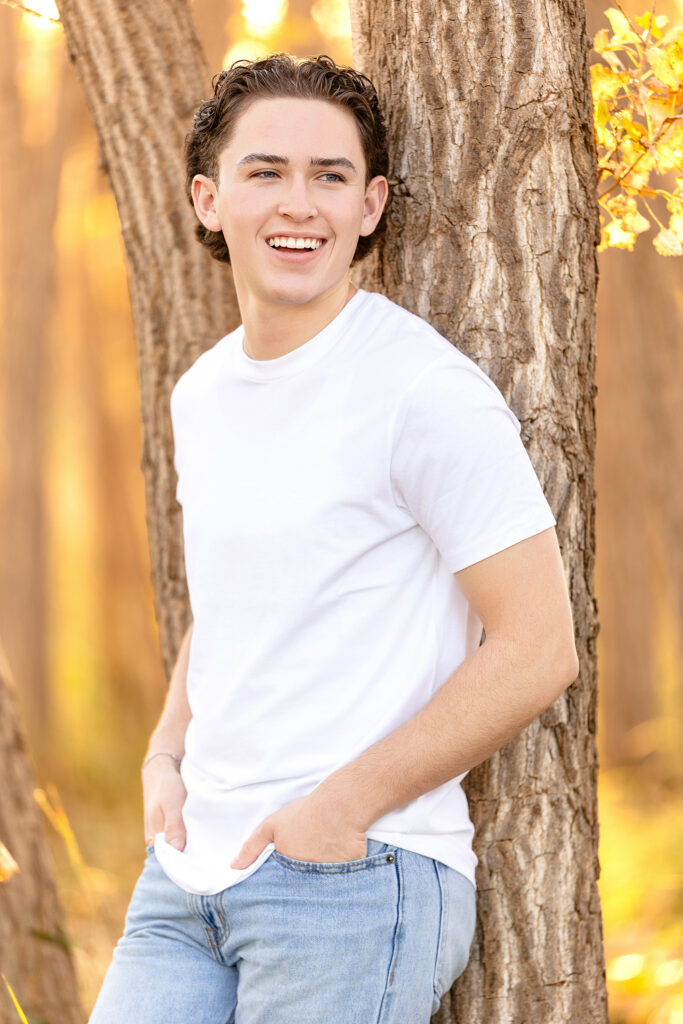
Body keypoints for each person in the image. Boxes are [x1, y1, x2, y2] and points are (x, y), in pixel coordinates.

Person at [89, 52, 579, 1024]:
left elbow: (536, 649)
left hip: (354, 874)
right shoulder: (202, 394)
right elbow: (235, 597)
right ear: (207, 197)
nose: (297, 204)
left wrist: (339, 809)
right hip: (188, 877)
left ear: (370, 205)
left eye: (331, 176)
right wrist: (164, 750)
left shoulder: (419, 391)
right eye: (264, 172)